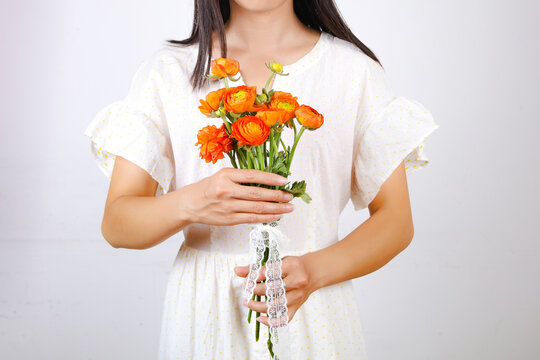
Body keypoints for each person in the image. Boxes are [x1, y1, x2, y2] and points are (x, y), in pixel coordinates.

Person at [83, 0, 439, 358]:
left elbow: (396, 220)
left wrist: (312, 273)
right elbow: (117, 223)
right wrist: (195, 202)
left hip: (311, 307)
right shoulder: (168, 73)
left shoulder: (352, 72)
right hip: (204, 313)